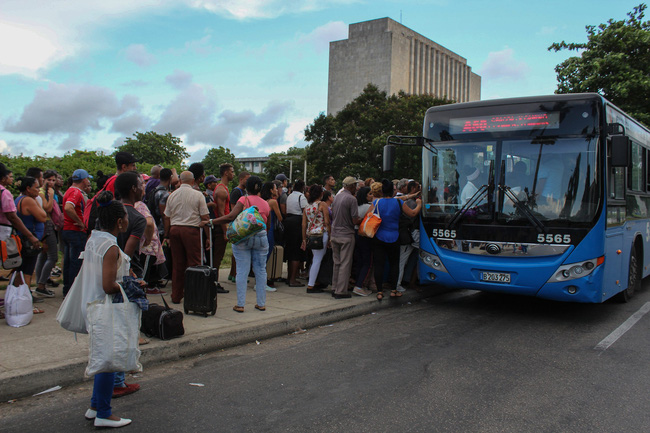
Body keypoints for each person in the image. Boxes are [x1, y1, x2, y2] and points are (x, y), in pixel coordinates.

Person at [80, 191, 133, 428]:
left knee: (102, 356)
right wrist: (131, 286)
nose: (129, 219)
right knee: (108, 361)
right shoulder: (110, 247)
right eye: (126, 216)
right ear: (120, 222)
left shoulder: (95, 238)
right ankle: (103, 412)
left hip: (92, 304)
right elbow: (108, 285)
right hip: (105, 307)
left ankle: (94, 405)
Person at [206, 176, 270, 313]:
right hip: (261, 237)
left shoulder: (243, 200)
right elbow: (267, 225)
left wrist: (212, 221)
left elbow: (231, 217)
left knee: (242, 270)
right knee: (261, 270)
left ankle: (240, 305)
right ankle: (261, 303)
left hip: (243, 238)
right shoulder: (266, 203)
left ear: (247, 187)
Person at [163, 171, 210, 304]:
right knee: (194, 263)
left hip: (175, 229)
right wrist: (208, 236)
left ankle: (176, 295)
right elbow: (205, 217)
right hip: (191, 229)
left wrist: (167, 235)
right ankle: (194, 295)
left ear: (180, 180)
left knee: (178, 264)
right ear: (193, 180)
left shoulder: (172, 195)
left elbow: (166, 216)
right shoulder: (198, 195)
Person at [372, 179, 422, 301]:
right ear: (393, 191)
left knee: (379, 264)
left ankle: (379, 292)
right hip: (394, 237)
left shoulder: (376, 203)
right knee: (395, 264)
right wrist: (419, 203)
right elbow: (413, 213)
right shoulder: (398, 203)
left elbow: (368, 216)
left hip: (379, 237)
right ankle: (394, 290)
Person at [330, 176, 363, 299]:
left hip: (335, 234)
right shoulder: (351, 199)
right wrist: (364, 219)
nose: (356, 188)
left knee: (337, 263)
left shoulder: (337, 197)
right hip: (346, 234)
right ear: (351, 186)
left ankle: (334, 287)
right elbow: (355, 220)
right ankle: (341, 291)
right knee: (345, 264)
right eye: (355, 185)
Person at [14, 177, 47, 297]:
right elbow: (43, 216)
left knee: (21, 270)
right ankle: (25, 298)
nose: (38, 190)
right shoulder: (28, 200)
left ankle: (18, 296)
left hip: (22, 238)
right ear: (28, 189)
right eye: (36, 187)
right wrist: (36, 201)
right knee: (27, 271)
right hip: (29, 241)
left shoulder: (19, 199)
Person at [62, 169, 92, 296]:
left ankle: (67, 289)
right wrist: (80, 222)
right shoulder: (75, 192)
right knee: (76, 261)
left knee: (68, 261)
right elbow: (68, 207)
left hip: (68, 230)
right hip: (75, 230)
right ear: (84, 180)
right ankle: (73, 292)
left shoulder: (69, 190)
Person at [33, 171, 60, 297]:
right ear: (43, 180)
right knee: (53, 256)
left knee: (43, 255)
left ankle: (41, 282)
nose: (51, 183)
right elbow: (47, 209)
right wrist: (51, 194)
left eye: (53, 180)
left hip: (49, 224)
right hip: (47, 224)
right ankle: (41, 285)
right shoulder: (42, 193)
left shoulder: (47, 192)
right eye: (48, 180)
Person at [301, 184, 330, 294]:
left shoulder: (306, 208)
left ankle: (313, 283)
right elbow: (327, 222)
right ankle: (311, 285)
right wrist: (330, 236)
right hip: (322, 234)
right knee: (317, 260)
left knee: (316, 259)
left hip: (311, 236)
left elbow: (304, 225)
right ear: (321, 194)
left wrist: (304, 239)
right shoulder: (322, 204)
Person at [211, 163, 235, 294]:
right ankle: (213, 283)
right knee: (217, 258)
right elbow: (220, 213)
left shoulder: (223, 188)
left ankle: (214, 282)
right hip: (220, 228)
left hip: (223, 227)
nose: (233, 174)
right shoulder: (221, 190)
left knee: (218, 257)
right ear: (226, 173)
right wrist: (225, 231)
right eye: (232, 171)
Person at [284, 179, 307, 286]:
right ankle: (293, 279)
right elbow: (305, 211)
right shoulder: (301, 197)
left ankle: (289, 277)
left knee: (290, 251)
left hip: (288, 222)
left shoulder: (290, 196)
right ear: (303, 188)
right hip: (297, 223)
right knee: (297, 252)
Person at [228, 171, 250, 282]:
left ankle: (234, 273)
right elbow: (233, 209)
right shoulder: (236, 192)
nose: (248, 181)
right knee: (237, 250)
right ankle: (235, 273)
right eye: (247, 179)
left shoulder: (245, 191)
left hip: (244, 223)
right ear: (241, 179)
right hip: (238, 223)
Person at [352, 186, 373, 296]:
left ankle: (358, 283)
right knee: (366, 261)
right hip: (365, 234)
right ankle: (359, 285)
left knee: (359, 260)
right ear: (365, 196)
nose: (372, 196)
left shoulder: (356, 206)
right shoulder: (368, 207)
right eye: (370, 194)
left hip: (356, 234)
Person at [261, 181, 282, 290]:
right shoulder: (273, 202)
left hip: (261, 229)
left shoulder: (262, 200)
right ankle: (262, 282)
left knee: (261, 257)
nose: (277, 190)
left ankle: (260, 281)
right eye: (275, 188)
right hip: (270, 230)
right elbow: (280, 217)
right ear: (271, 190)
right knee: (266, 255)